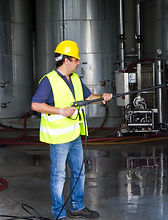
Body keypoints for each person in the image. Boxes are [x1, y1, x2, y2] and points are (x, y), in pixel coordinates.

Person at [31, 40, 112, 220]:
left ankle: (77, 207)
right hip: (59, 138)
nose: (78, 62)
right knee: (59, 176)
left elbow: (89, 96)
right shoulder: (49, 80)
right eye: (76, 59)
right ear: (66, 60)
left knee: (79, 171)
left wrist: (102, 97)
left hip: (75, 135)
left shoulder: (75, 79)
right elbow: (36, 105)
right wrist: (61, 111)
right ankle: (59, 214)